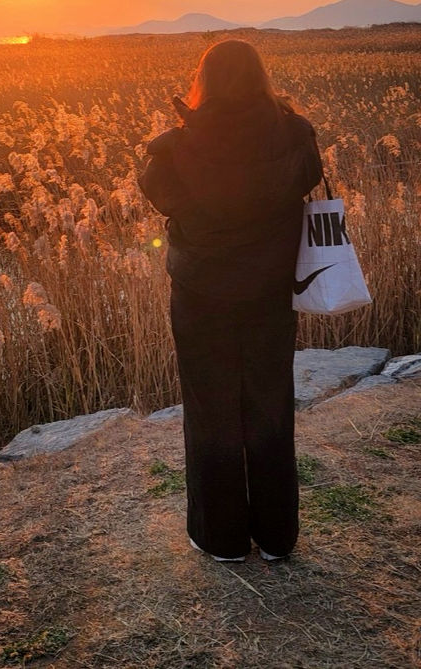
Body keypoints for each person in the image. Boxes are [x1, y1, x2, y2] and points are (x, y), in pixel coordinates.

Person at [138, 39, 323, 563]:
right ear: (260, 78)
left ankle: (221, 538)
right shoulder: (296, 134)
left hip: (201, 292)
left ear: (206, 80)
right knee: (269, 404)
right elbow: (307, 178)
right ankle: (276, 536)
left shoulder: (174, 146)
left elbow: (160, 195)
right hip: (271, 291)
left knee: (209, 407)